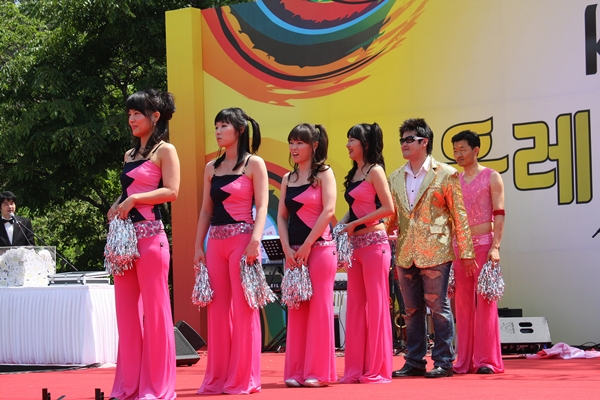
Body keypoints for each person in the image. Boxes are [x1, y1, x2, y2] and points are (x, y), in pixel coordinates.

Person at [387, 118, 475, 379]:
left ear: (424, 142)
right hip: (406, 252)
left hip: (436, 251)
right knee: (411, 310)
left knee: (438, 308)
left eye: (409, 140)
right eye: (402, 140)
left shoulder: (446, 174)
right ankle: (414, 361)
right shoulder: (395, 177)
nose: (404, 144)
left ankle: (444, 361)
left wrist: (467, 253)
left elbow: (459, 215)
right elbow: (391, 218)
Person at [107, 89, 180, 400]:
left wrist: (135, 199)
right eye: (129, 114)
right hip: (125, 241)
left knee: (156, 312)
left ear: (155, 116)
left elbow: (172, 191)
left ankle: (157, 387)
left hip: (151, 238)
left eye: (137, 113)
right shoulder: (129, 155)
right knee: (126, 314)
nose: (132, 119)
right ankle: (129, 386)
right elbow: (128, 191)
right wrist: (117, 204)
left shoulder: (166, 150)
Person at [194, 107, 268, 395]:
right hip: (215, 242)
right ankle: (218, 378)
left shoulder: (254, 163)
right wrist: (198, 247)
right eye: (216, 126)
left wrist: (255, 240)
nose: (218, 131)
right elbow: (205, 210)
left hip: (242, 240)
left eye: (223, 126)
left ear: (239, 130)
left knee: (244, 309)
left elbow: (262, 205)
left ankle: (243, 378)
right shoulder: (211, 168)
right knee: (217, 311)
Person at [277, 123, 337, 388]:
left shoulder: (324, 173)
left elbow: (328, 210)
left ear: (314, 145)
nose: (294, 147)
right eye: (291, 142)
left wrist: (308, 244)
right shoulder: (287, 179)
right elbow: (282, 216)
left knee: (319, 309)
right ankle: (296, 371)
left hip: (321, 249)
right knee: (296, 309)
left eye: (299, 142)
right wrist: (286, 247)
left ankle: (318, 372)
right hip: (293, 253)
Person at [338, 123, 394, 384]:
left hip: (374, 244)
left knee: (377, 306)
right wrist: (339, 226)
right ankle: (355, 369)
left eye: (353, 140)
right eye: (348, 139)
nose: (348, 144)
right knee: (356, 308)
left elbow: (388, 208)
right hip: (355, 247)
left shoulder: (375, 171)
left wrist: (355, 225)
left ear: (366, 144)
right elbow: (353, 209)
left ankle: (378, 369)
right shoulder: (354, 173)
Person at [451, 130, 505, 374]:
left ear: (476, 150)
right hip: (460, 247)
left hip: (484, 244)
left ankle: (487, 360)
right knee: (462, 304)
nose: (458, 154)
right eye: (455, 150)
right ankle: (465, 360)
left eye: (463, 149)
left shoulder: (492, 177)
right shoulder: (454, 180)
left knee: (485, 302)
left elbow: (499, 213)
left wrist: (496, 246)